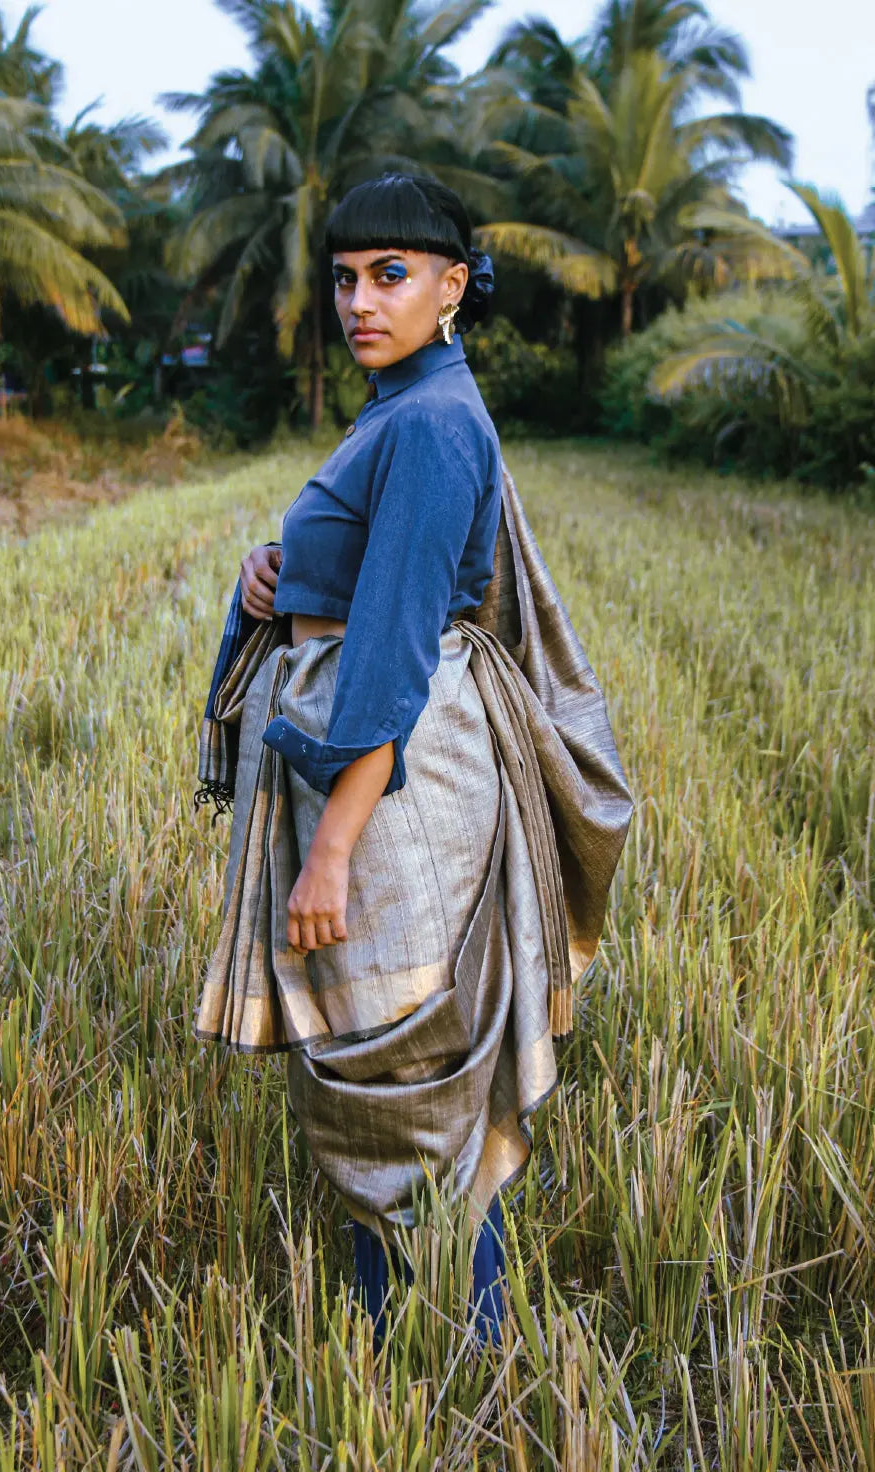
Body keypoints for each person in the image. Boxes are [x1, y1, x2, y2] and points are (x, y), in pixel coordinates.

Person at [194, 172, 634, 1350]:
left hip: (393, 791)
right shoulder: (399, 409)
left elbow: (392, 648)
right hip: (383, 772)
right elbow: (371, 580)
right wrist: (270, 580)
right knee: (389, 1065)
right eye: (344, 278)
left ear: (451, 289)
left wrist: (330, 851)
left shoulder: (432, 420)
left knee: (407, 1065)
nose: (359, 299)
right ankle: (407, 1342)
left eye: (390, 275)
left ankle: (457, 1349)